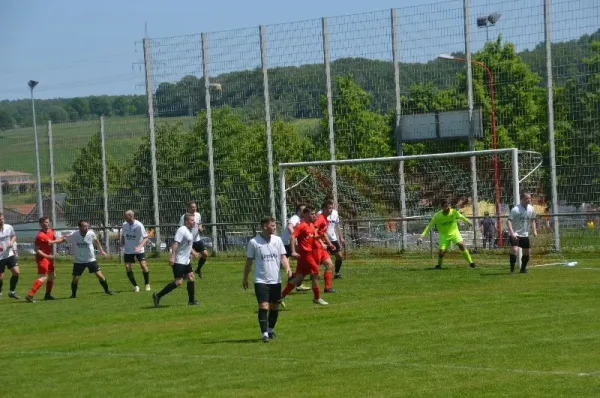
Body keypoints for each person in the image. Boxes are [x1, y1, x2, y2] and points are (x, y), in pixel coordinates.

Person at [243, 216, 292, 343]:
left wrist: (287, 268)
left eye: (275, 225)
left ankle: (270, 330)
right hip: (261, 280)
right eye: (272, 225)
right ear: (265, 226)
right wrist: (245, 278)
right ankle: (264, 333)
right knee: (264, 306)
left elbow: (283, 256)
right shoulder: (254, 242)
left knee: (274, 306)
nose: (275, 227)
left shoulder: (277, 240)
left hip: (276, 280)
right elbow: (249, 262)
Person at [280, 206, 328, 306]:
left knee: (298, 277)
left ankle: (281, 296)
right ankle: (317, 298)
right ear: (306, 214)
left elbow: (312, 237)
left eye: (314, 213)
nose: (314, 216)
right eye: (312, 214)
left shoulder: (311, 225)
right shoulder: (301, 226)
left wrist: (320, 237)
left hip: (307, 254)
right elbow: (293, 237)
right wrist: (293, 251)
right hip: (305, 254)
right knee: (316, 273)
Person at [153, 213, 200, 307]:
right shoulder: (182, 230)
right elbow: (175, 243)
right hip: (179, 261)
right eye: (192, 220)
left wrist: (193, 252)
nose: (194, 222)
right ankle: (157, 295)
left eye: (194, 220)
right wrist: (173, 256)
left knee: (191, 278)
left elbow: (187, 244)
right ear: (186, 221)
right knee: (178, 282)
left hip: (186, 261)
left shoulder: (190, 230)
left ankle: (191, 301)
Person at [421, 199, 477, 269]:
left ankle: (471, 263)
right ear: (442, 207)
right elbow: (429, 226)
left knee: (461, 244)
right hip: (444, 235)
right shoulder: (437, 216)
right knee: (441, 253)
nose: (448, 208)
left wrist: (468, 222)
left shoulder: (453, 212)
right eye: (445, 206)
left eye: (449, 206)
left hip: (454, 233)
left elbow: (461, 217)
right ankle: (439, 265)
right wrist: (422, 236)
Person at [27, 217, 60, 302]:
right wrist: (47, 256)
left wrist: (52, 254)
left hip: (49, 257)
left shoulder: (50, 231)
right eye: (45, 222)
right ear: (41, 224)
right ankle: (30, 295)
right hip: (42, 258)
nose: (47, 224)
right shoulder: (40, 235)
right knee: (43, 277)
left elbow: (52, 243)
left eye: (48, 222)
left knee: (52, 275)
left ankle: (47, 295)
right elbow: (36, 250)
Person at [280, 204, 310, 292]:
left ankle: (295, 280)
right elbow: (290, 227)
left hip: (290, 243)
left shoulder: (302, 220)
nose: (305, 211)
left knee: (301, 262)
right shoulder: (295, 218)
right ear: (299, 211)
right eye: (303, 210)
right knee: (302, 261)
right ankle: (295, 280)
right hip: (287, 243)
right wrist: (295, 237)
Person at [507, 192, 537, 275]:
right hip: (515, 234)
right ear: (522, 199)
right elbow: (509, 221)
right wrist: (512, 233)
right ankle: (512, 270)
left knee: (527, 253)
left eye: (530, 198)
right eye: (527, 198)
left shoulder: (531, 208)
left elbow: (533, 219)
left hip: (525, 234)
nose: (529, 200)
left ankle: (523, 269)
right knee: (515, 249)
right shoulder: (515, 209)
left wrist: (534, 230)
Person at [121, 210, 151, 292]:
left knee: (143, 266)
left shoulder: (139, 225)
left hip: (139, 249)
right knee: (127, 267)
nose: (124, 217)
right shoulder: (124, 225)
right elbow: (123, 235)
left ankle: (147, 284)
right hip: (128, 250)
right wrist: (121, 244)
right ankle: (135, 286)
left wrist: (139, 246)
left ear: (131, 216)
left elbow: (146, 237)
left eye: (125, 216)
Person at [179, 201, 208, 279]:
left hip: (196, 239)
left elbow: (200, 223)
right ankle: (186, 274)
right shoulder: (184, 217)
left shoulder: (198, 215)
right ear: (188, 208)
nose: (194, 208)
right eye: (192, 207)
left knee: (205, 254)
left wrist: (200, 227)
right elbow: (181, 229)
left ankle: (198, 269)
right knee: (188, 258)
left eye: (195, 207)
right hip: (188, 241)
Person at [315, 199, 337, 293]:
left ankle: (327, 288)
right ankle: (294, 279)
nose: (330, 210)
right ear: (323, 208)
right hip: (316, 247)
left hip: (322, 247)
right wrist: (321, 242)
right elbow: (314, 231)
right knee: (311, 271)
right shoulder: (320, 218)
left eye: (331, 208)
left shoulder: (325, 219)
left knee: (329, 265)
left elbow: (323, 234)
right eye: (328, 208)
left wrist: (330, 244)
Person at [321, 200, 345, 279]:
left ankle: (337, 273)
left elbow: (337, 225)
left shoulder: (335, 213)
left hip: (332, 238)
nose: (331, 208)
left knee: (339, 256)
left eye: (332, 205)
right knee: (319, 259)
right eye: (329, 206)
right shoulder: (320, 214)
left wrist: (340, 237)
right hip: (323, 239)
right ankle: (313, 273)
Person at [0, 213, 20, 299]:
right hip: (0, 257)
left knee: (16, 272)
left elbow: (14, 236)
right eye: (0, 219)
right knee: (1, 277)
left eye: (2, 219)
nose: (1, 221)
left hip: (9, 254)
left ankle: (11, 292)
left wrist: (11, 242)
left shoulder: (9, 227)